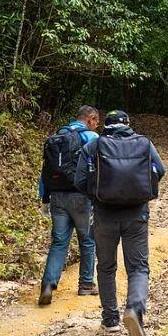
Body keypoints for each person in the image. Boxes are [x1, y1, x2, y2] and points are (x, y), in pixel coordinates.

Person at [74, 110, 166, 336]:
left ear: (106, 126)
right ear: (127, 124)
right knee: (138, 267)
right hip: (137, 214)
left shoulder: (94, 147)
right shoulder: (144, 143)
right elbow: (160, 170)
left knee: (105, 267)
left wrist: (98, 196)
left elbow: (79, 181)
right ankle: (134, 309)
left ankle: (111, 319)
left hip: (104, 215)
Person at [38, 105, 101, 306]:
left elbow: (45, 172)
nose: (96, 127)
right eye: (96, 122)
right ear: (90, 119)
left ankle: (48, 284)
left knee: (58, 242)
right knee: (87, 240)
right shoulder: (91, 138)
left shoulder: (56, 137)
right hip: (81, 197)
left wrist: (44, 198)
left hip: (57, 197)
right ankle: (86, 284)